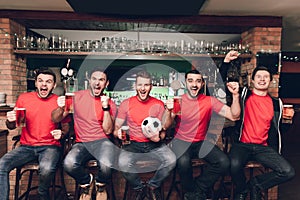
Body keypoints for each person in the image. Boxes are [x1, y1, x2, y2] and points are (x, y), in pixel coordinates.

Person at [163, 66, 241, 200]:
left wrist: (235, 95)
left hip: (200, 142)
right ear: (186, 83)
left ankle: (195, 190)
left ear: (202, 84)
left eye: (198, 81)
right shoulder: (179, 100)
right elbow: (165, 125)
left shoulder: (209, 101)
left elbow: (234, 116)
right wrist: (168, 111)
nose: (194, 84)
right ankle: (191, 192)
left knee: (223, 162)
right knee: (183, 161)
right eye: (191, 81)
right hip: (180, 141)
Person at [224, 54, 295, 200]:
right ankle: (242, 190)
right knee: (233, 164)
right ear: (253, 80)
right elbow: (222, 84)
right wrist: (226, 62)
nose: (262, 79)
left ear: (270, 81)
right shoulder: (243, 94)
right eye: (259, 77)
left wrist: (288, 121)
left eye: (266, 77)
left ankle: (257, 184)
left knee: (288, 171)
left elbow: (280, 130)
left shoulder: (277, 103)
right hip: (242, 145)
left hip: (264, 147)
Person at [0, 69, 70, 200]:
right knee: (2, 165)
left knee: (47, 169)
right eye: (40, 81)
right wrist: (9, 120)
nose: (44, 85)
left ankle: (42, 195)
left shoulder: (58, 101)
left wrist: (61, 133)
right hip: (26, 147)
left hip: (50, 147)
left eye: (48, 82)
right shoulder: (24, 99)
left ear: (54, 85)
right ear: (36, 83)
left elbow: (66, 127)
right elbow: (12, 126)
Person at [52, 67, 117, 200]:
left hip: (103, 142)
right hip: (81, 143)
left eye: (101, 80)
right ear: (89, 80)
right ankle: (87, 182)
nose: (97, 83)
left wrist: (105, 108)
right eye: (94, 79)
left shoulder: (110, 103)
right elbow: (56, 118)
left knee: (106, 165)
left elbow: (108, 130)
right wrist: (60, 107)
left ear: (107, 83)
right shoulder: (77, 97)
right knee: (69, 164)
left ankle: (100, 185)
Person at [114, 70, 176, 200]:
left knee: (171, 160)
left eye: (146, 85)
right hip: (133, 145)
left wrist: (159, 136)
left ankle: (153, 186)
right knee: (122, 162)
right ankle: (140, 188)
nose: (143, 88)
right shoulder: (127, 103)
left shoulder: (158, 104)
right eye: (140, 85)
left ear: (151, 87)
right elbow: (116, 128)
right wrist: (118, 133)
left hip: (155, 145)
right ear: (135, 86)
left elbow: (164, 129)